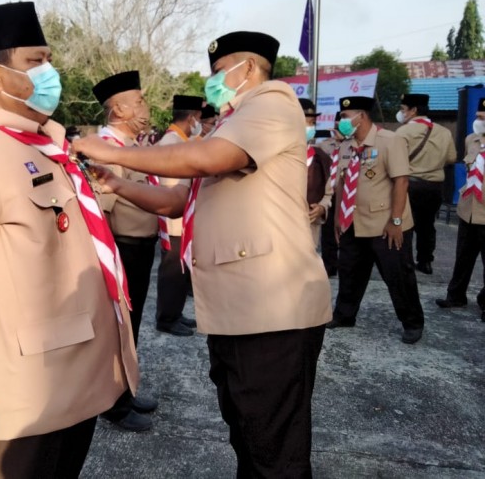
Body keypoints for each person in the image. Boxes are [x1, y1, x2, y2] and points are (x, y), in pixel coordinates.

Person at [74, 31, 332, 477]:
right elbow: (182, 202)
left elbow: (203, 159)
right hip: (240, 308)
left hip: (272, 308)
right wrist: (116, 184)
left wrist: (112, 153)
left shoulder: (271, 103)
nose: (212, 82)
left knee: (276, 451)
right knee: (249, 433)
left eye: (218, 71)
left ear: (247, 68)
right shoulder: (235, 121)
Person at [0, 2, 140, 478]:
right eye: (36, 62)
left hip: (71, 386)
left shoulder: (44, 146)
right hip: (15, 402)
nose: (49, 72)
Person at [92, 70, 160, 432]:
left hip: (141, 246)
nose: (145, 108)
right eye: (139, 101)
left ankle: (126, 392)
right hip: (122, 248)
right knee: (119, 328)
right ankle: (115, 405)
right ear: (117, 109)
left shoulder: (131, 148)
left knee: (130, 329)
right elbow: (101, 211)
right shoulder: (105, 149)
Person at [326, 96, 424, 344]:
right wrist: (339, 217)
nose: (343, 122)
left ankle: (412, 322)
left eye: (346, 117)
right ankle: (344, 315)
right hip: (353, 222)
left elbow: (401, 181)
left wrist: (396, 222)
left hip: (385, 224)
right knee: (349, 272)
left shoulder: (390, 140)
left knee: (398, 275)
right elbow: (340, 184)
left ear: (362, 116)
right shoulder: (347, 145)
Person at [154, 94, 202, 337]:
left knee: (181, 271)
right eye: (200, 118)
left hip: (183, 219)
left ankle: (175, 313)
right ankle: (166, 318)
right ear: (192, 118)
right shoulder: (171, 142)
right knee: (172, 271)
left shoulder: (182, 140)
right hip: (174, 219)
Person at [395, 93, 456, 274]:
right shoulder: (444, 132)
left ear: (413, 110)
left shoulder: (403, 132)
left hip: (409, 185)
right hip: (434, 187)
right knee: (427, 225)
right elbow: (452, 158)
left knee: (406, 225)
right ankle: (425, 261)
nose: (401, 113)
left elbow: (395, 159)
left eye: (403, 109)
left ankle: (405, 261)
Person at [438, 97, 485, 321]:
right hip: (468, 209)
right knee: (463, 257)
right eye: (478, 115)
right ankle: (455, 295)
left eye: (483, 117)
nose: (479, 120)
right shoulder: (471, 140)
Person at [300, 98, 333, 247]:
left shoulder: (321, 157)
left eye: (312, 123)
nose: (310, 127)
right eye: (305, 122)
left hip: (309, 230)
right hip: (280, 230)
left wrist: (321, 208)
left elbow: (328, 194)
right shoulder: (277, 157)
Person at [318, 121, 344, 276]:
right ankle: (330, 264)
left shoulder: (354, 145)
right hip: (331, 193)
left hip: (349, 194)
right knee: (328, 232)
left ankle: (345, 263)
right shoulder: (324, 146)